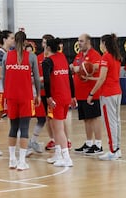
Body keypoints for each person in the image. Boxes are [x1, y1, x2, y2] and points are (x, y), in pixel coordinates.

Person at [4, 31, 41, 170]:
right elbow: (36, 78)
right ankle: (21, 162)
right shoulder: (31, 57)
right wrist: (38, 94)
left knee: (13, 127)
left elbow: (5, 79)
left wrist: (5, 95)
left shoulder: (7, 56)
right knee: (24, 128)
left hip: (11, 96)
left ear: (15, 41)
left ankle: (12, 160)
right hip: (25, 96)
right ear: (26, 42)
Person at [86, 34, 122, 161]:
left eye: (101, 43)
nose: (100, 46)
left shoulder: (106, 57)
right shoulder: (116, 56)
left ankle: (113, 150)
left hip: (108, 94)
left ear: (104, 44)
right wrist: (91, 77)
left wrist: (91, 94)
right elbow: (106, 77)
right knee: (116, 122)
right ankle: (117, 149)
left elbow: (102, 79)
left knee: (110, 122)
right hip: (117, 92)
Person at [43, 38, 76, 167]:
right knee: (56, 125)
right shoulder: (63, 58)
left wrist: (48, 97)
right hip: (66, 96)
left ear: (48, 48)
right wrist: (73, 95)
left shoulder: (47, 61)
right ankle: (58, 153)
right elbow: (70, 78)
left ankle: (66, 158)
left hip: (56, 98)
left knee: (58, 129)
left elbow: (46, 81)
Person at [71, 34, 103, 155]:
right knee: (86, 119)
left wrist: (83, 68)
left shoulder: (94, 54)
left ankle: (98, 144)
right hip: (80, 93)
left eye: (81, 41)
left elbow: (95, 66)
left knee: (94, 118)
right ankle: (89, 143)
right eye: (78, 41)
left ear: (88, 41)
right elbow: (74, 67)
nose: (79, 43)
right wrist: (75, 68)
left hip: (91, 92)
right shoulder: (79, 55)